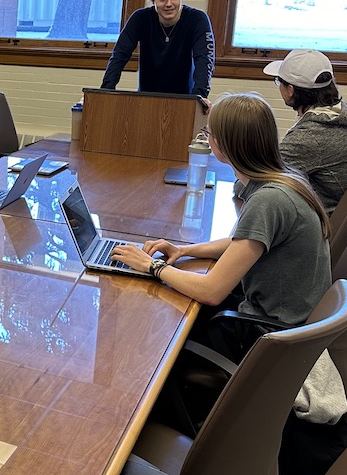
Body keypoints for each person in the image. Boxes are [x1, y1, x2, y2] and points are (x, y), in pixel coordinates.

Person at [111, 93, 331, 335]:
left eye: (207, 134)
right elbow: (242, 243)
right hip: (285, 322)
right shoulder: (285, 178)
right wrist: (183, 250)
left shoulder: (269, 200)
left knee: (159, 321)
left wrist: (152, 266)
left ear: (222, 145)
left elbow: (211, 292)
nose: (206, 139)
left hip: (267, 336)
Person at [263, 49, 347, 213]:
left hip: (318, 222)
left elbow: (259, 181)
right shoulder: (343, 114)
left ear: (290, 90)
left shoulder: (310, 136)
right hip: (339, 212)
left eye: (279, 81)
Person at [100, 0, 215, 107]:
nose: (169, 4)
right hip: (146, 98)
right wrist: (106, 90)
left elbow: (204, 58)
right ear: (153, 0)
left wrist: (200, 96)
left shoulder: (197, 19)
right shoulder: (140, 18)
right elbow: (120, 54)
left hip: (185, 100)